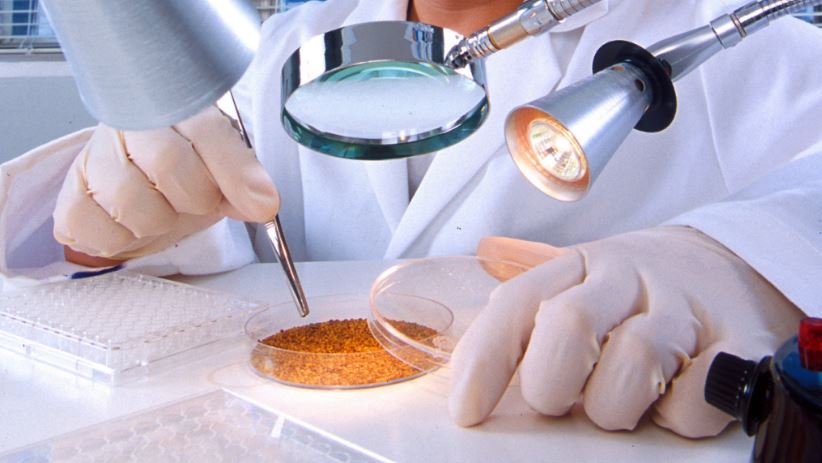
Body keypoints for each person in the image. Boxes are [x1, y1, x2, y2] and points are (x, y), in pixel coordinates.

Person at [1, 0, 821, 439]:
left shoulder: (742, 47)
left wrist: (742, 264)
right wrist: (99, 223)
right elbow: (195, 219)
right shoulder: (296, 42)